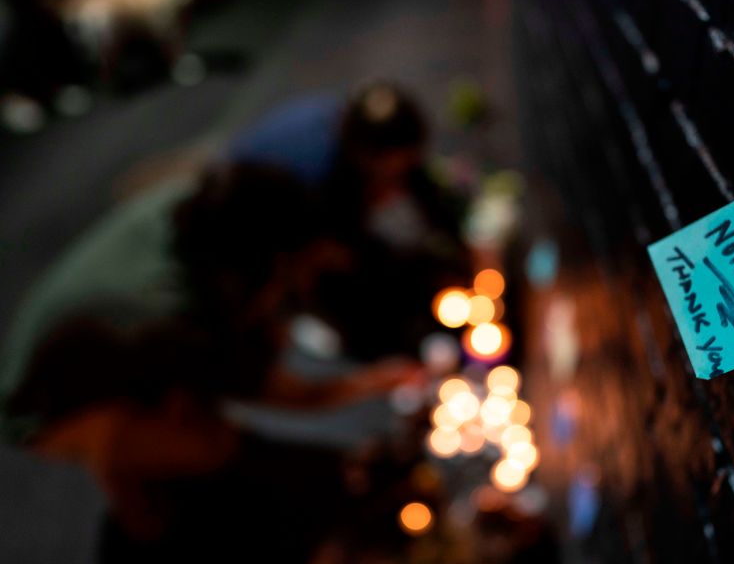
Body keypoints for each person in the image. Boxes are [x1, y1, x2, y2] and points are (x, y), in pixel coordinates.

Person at [0, 163, 420, 544]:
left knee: (197, 404)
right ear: (264, 266)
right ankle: (149, 526)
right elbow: (289, 394)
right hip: (41, 411)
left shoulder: (200, 206)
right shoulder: (176, 320)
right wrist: (369, 381)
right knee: (212, 444)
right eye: (295, 275)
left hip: (84, 354)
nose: (301, 290)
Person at [230, 81, 470, 358]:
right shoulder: (315, 175)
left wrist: (460, 248)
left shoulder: (362, 128)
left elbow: (418, 184)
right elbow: (333, 241)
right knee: (341, 264)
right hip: (245, 216)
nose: (402, 173)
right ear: (367, 158)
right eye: (395, 167)